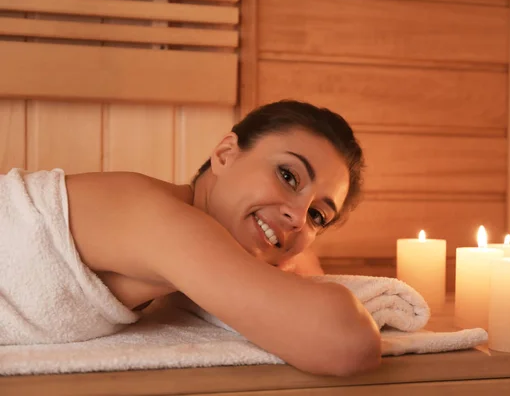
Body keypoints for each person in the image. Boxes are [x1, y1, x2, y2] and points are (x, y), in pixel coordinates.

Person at [0, 100, 382, 376]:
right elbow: (347, 342)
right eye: (288, 176)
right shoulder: (158, 219)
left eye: (318, 215)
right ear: (225, 154)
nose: (298, 218)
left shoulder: (176, 260)